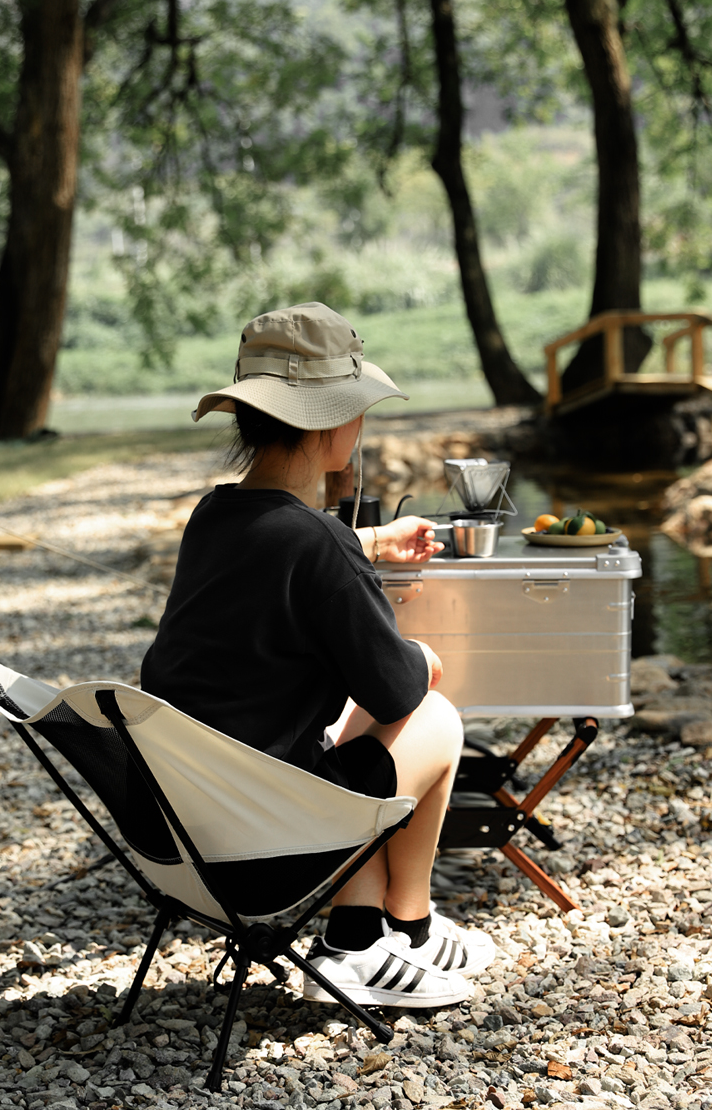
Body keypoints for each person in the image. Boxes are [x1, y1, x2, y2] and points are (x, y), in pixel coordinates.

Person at [141, 301, 494, 1008]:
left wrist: (372, 540)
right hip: (270, 850)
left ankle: (383, 929)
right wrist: (421, 655)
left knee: (339, 726)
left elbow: (278, 550)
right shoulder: (318, 546)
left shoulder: (213, 518)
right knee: (434, 715)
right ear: (333, 423)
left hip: (184, 836)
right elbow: (395, 690)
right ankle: (388, 933)